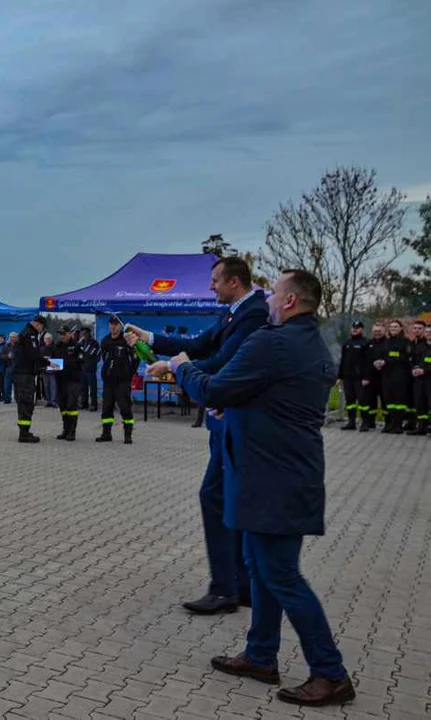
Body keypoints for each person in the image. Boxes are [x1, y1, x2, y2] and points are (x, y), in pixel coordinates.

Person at [169, 269, 355, 708]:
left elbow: (214, 387)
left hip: (272, 480)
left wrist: (181, 368)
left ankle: (330, 672)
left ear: (289, 302)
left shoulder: (274, 342)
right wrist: (232, 406)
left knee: (282, 576)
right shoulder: (314, 343)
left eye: (274, 292)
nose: (268, 298)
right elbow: (271, 398)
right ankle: (260, 655)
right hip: (281, 475)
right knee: (261, 567)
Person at [126, 256, 269, 615]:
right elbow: (203, 343)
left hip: (233, 418)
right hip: (227, 420)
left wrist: (177, 368)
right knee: (227, 499)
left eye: (216, 281)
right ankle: (242, 584)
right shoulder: (236, 311)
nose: (210, 287)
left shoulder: (252, 314)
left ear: (234, 281)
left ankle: (225, 589)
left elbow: (224, 363)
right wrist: (152, 339)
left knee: (215, 497)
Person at [96, 317, 136, 444]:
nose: (113, 327)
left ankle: (128, 434)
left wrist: (129, 373)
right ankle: (106, 433)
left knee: (125, 408)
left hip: (122, 381)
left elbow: (136, 358)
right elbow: (104, 358)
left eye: (116, 324)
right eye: (111, 324)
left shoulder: (126, 340)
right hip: (108, 381)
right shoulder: (105, 341)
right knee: (106, 407)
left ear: (120, 326)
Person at [14, 316, 48, 442]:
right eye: (42, 328)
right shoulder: (30, 334)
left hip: (22, 374)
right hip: (25, 375)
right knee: (26, 403)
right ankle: (24, 434)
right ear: (37, 324)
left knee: (23, 403)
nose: (41, 331)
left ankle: (24, 431)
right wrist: (47, 363)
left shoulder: (25, 333)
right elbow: (33, 354)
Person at [379, 319, 411, 434]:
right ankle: (391, 423)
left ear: (401, 328)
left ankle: (398, 424)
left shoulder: (406, 342)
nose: (393, 329)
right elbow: (383, 355)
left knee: (399, 400)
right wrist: (379, 362)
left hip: (400, 375)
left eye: (396, 327)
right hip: (387, 375)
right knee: (389, 400)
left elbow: (405, 358)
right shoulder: (386, 342)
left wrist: (387, 360)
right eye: (391, 327)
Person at [53, 325, 84, 441]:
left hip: (73, 380)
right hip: (60, 380)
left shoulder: (76, 346)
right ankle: (65, 429)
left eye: (63, 333)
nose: (61, 336)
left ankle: (72, 431)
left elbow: (81, 363)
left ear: (69, 334)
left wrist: (64, 364)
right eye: (60, 334)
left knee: (71, 406)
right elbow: (52, 361)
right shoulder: (56, 346)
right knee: (63, 406)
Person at [336, 321, 368, 431]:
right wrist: (339, 376)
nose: (355, 329)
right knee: (350, 401)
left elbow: (368, 362)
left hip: (360, 378)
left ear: (362, 329)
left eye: (357, 328)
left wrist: (366, 377)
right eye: (353, 327)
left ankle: (365, 422)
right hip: (347, 377)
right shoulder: (346, 343)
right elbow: (343, 361)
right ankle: (351, 422)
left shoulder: (365, 343)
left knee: (363, 401)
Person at [359, 323, 387, 431]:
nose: (377, 333)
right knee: (369, 401)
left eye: (379, 331)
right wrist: (365, 377)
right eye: (375, 331)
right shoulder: (368, 343)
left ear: (384, 331)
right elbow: (364, 361)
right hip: (370, 378)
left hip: (385, 377)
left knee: (385, 401)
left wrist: (383, 363)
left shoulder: (388, 343)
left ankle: (387, 423)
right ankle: (369, 422)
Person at [407, 320, 429, 436]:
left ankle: (425, 425)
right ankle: (421, 426)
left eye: (420, 328)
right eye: (415, 328)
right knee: (419, 402)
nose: (417, 330)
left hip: (426, 377)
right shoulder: (411, 344)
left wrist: (422, 369)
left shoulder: (426, 344)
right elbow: (409, 359)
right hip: (414, 377)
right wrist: (413, 369)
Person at [77, 327, 100, 411]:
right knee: (83, 387)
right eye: (82, 334)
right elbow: (78, 353)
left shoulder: (94, 343)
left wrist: (92, 363)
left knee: (93, 388)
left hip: (91, 369)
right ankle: (84, 403)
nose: (84, 335)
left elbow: (96, 355)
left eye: (85, 333)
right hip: (83, 368)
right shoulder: (81, 342)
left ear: (89, 333)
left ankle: (94, 405)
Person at [40, 333, 58, 408]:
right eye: (46, 339)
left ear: (51, 339)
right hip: (44, 370)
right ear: (44, 340)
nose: (47, 340)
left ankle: (54, 401)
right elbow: (39, 358)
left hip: (53, 370)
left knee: (53, 386)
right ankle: (48, 401)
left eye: (49, 339)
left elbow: (58, 358)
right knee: (46, 386)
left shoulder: (55, 348)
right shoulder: (41, 348)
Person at [2, 332, 18, 404]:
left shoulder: (19, 346)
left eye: (14, 337)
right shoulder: (6, 346)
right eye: (11, 337)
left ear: (16, 338)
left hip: (18, 368)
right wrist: (7, 356)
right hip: (8, 367)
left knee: (17, 385)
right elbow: (1, 356)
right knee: (7, 384)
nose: (12, 338)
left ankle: (17, 399)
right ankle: (7, 399)